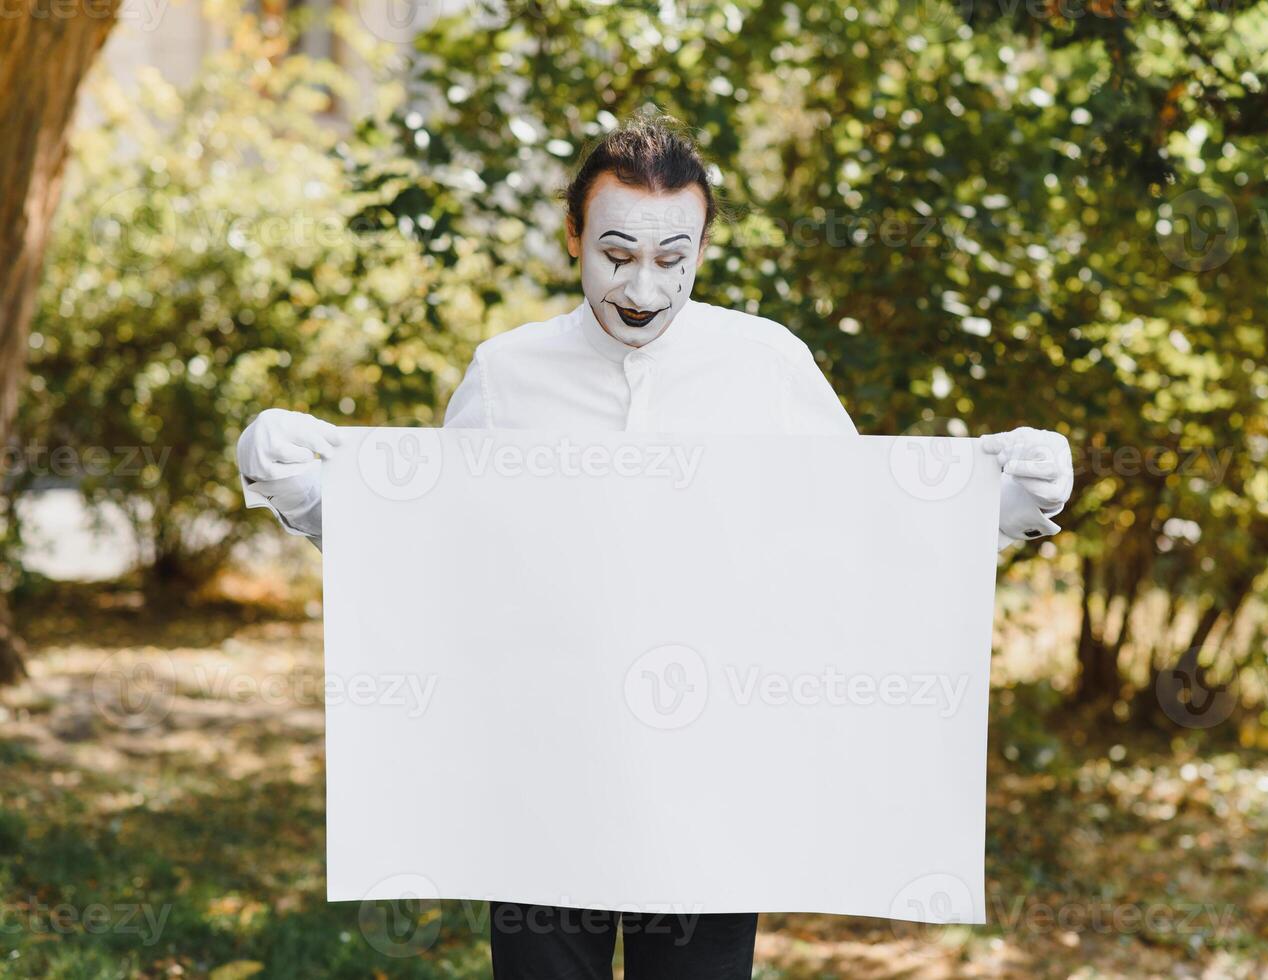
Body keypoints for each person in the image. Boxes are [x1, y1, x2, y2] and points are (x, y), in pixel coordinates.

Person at [236, 110, 1073, 980]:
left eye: (675, 260)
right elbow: (434, 557)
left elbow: (859, 542)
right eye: (618, 255)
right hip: (541, 782)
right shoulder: (507, 373)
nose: (644, 287)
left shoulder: (768, 367)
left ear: (705, 247)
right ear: (573, 236)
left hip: (711, 790)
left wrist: (1006, 506)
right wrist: (303, 491)